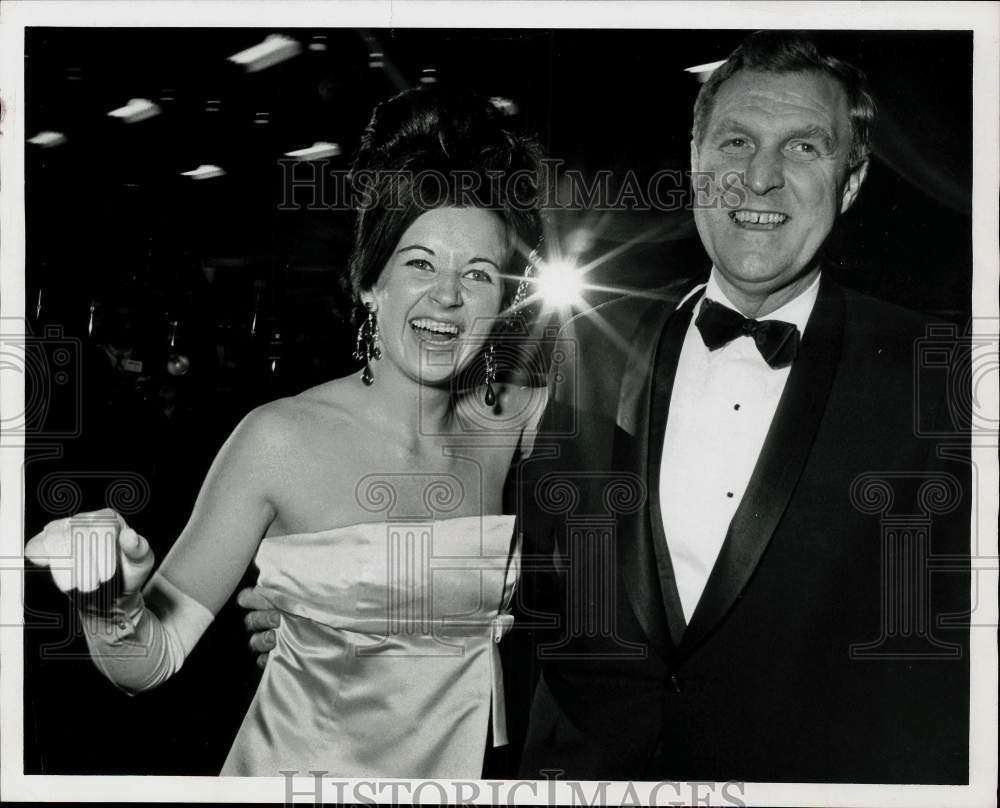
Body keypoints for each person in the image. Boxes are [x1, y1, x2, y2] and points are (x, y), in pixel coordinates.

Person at [25, 87, 548, 779]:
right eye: (419, 263)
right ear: (371, 282)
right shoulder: (278, 439)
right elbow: (146, 662)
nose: (447, 297)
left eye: (477, 275)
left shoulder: (517, 420)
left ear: (503, 303)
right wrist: (109, 601)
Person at [509, 31, 969, 782]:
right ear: (695, 167)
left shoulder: (932, 374)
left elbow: (951, 660)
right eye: (735, 143)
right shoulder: (588, 343)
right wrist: (335, 606)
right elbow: (527, 567)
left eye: (803, 149)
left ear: (850, 184)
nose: (759, 179)